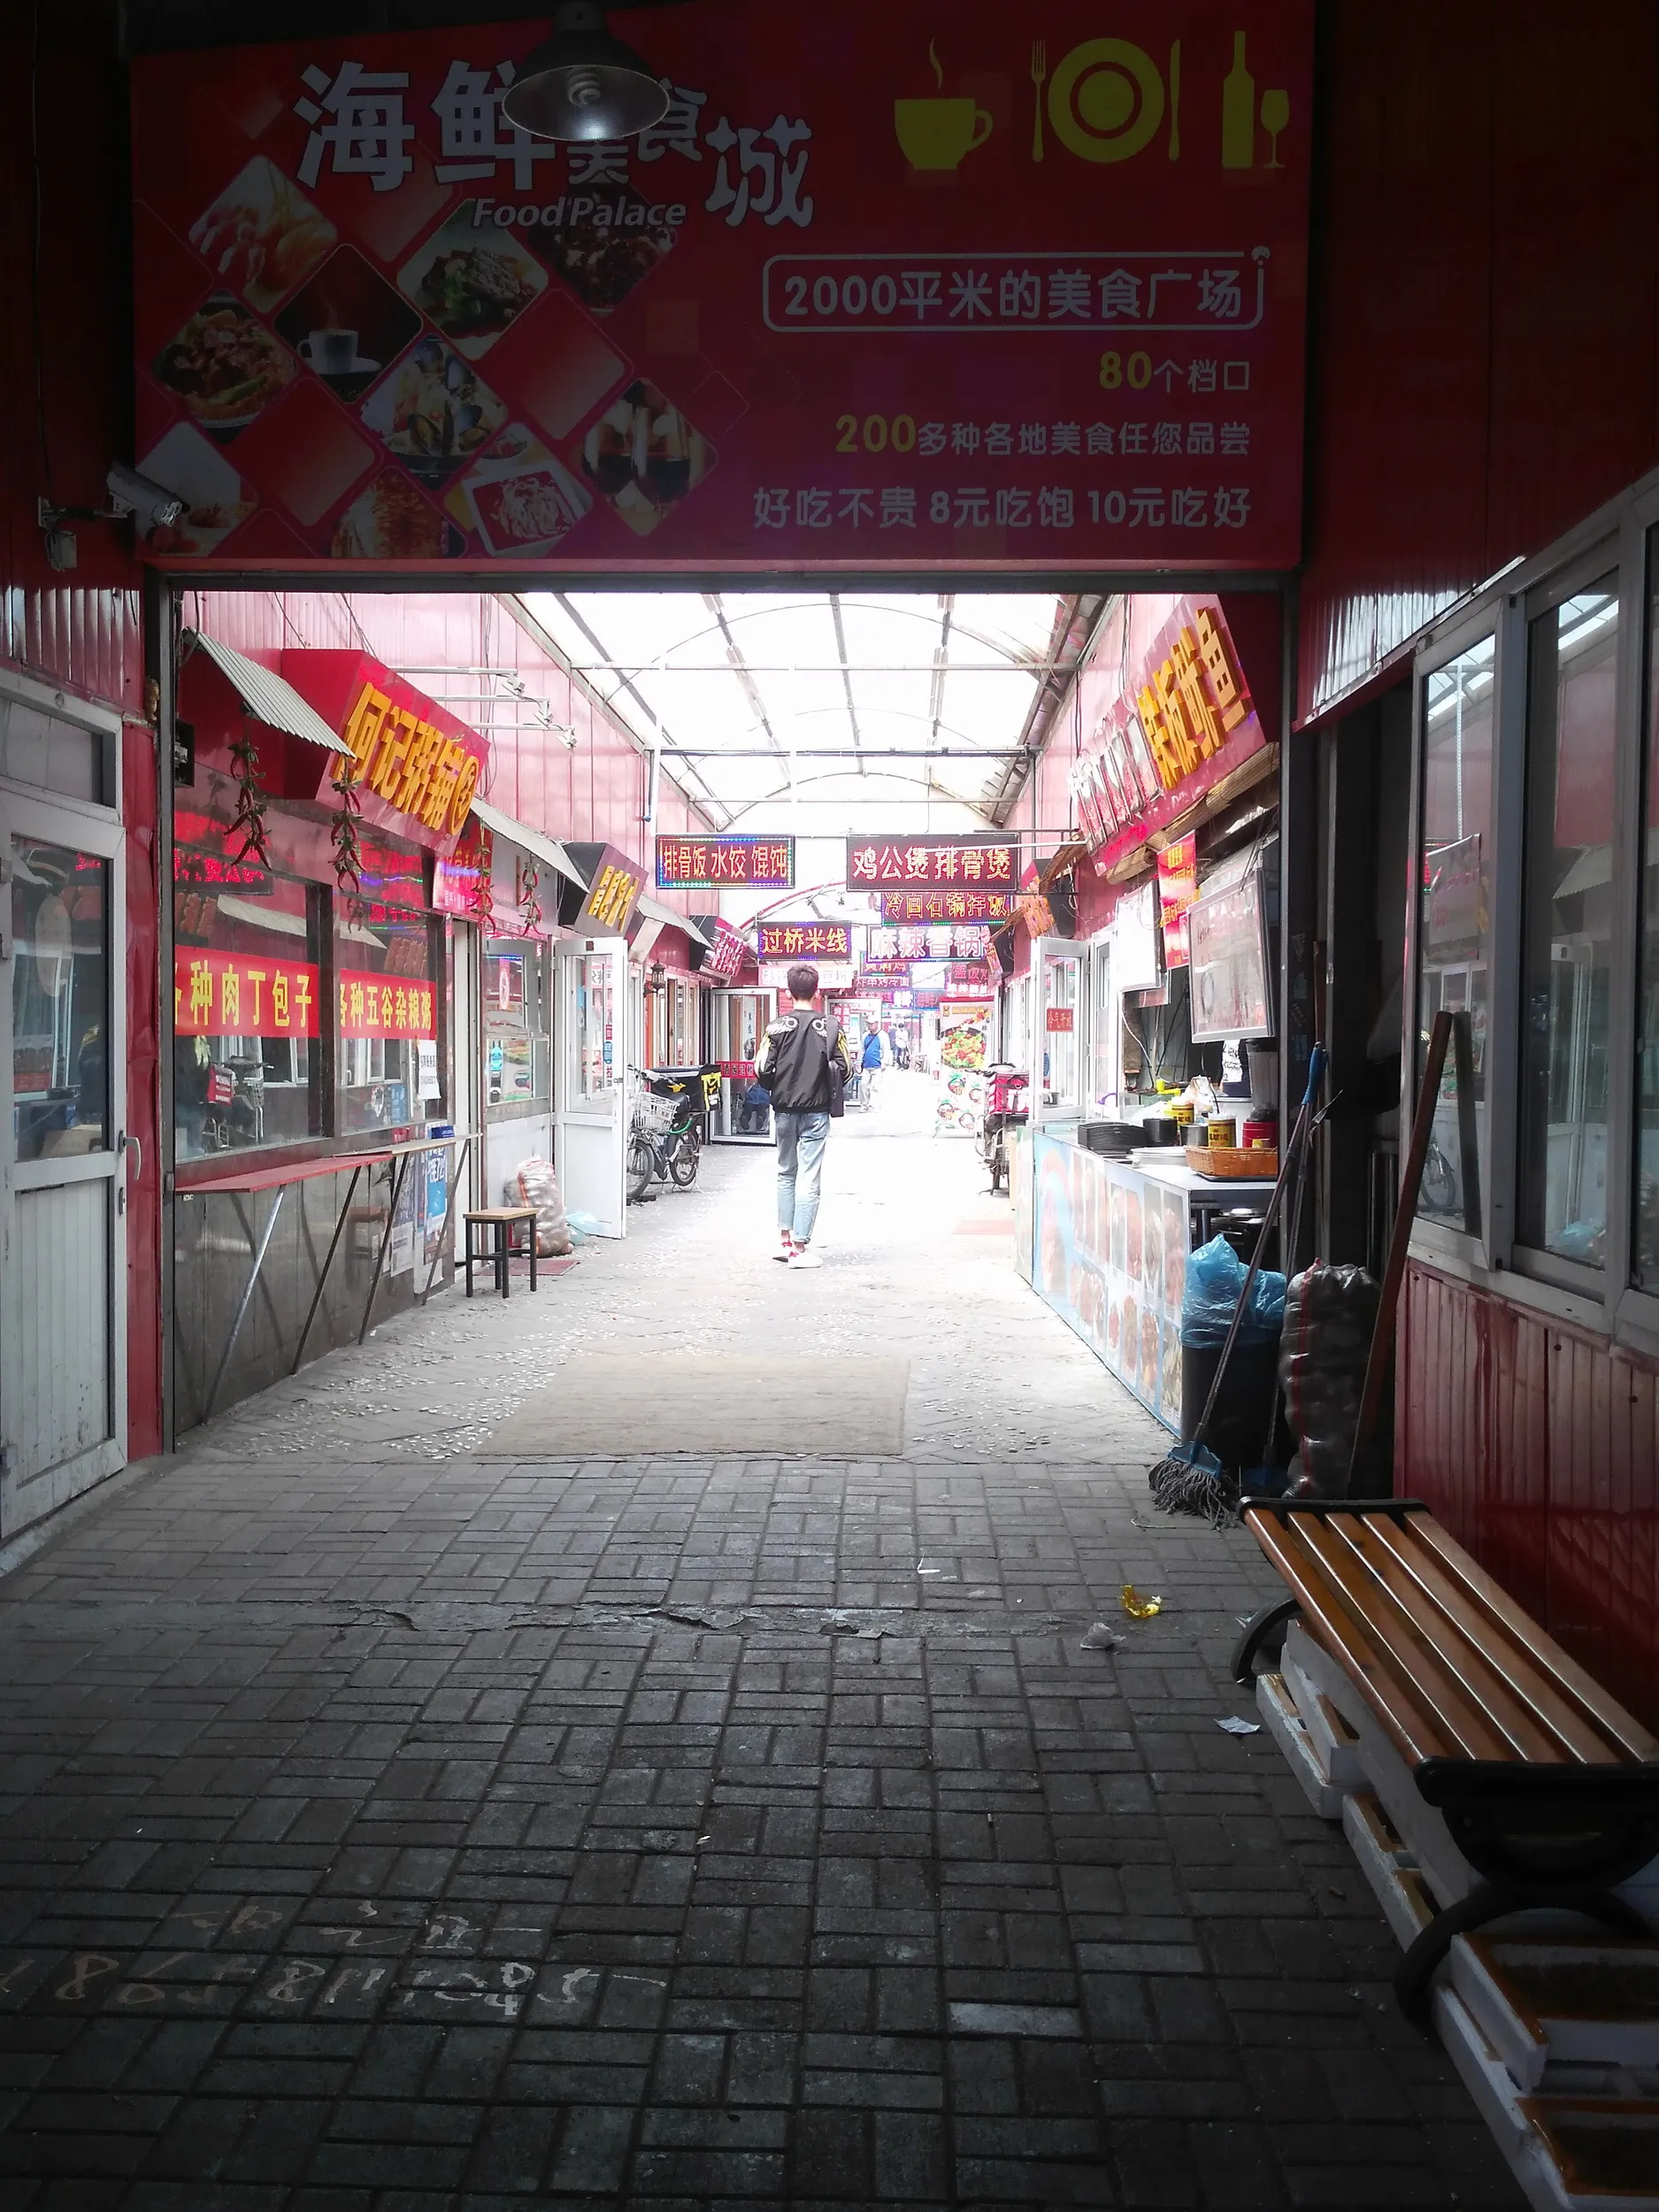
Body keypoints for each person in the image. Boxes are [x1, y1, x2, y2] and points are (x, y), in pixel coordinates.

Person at [754, 963, 851, 1269]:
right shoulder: (831, 1027)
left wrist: (778, 1088)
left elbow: (760, 1068)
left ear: (788, 991)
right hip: (817, 1111)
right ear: (817, 991)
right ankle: (799, 1248)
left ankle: (784, 1240)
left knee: (786, 1171)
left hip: (783, 1110)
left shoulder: (776, 1027)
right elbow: (846, 1069)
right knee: (809, 1176)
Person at [860, 1023, 883, 1105]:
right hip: (866, 1066)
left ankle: (875, 1105)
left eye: (872, 1023)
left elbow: (886, 1050)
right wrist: (860, 1062)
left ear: (876, 1024)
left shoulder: (882, 1036)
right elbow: (862, 1050)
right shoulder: (865, 1036)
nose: (870, 1025)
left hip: (877, 1066)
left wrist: (884, 1063)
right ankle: (864, 1104)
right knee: (863, 1085)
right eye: (869, 1023)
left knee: (876, 1087)